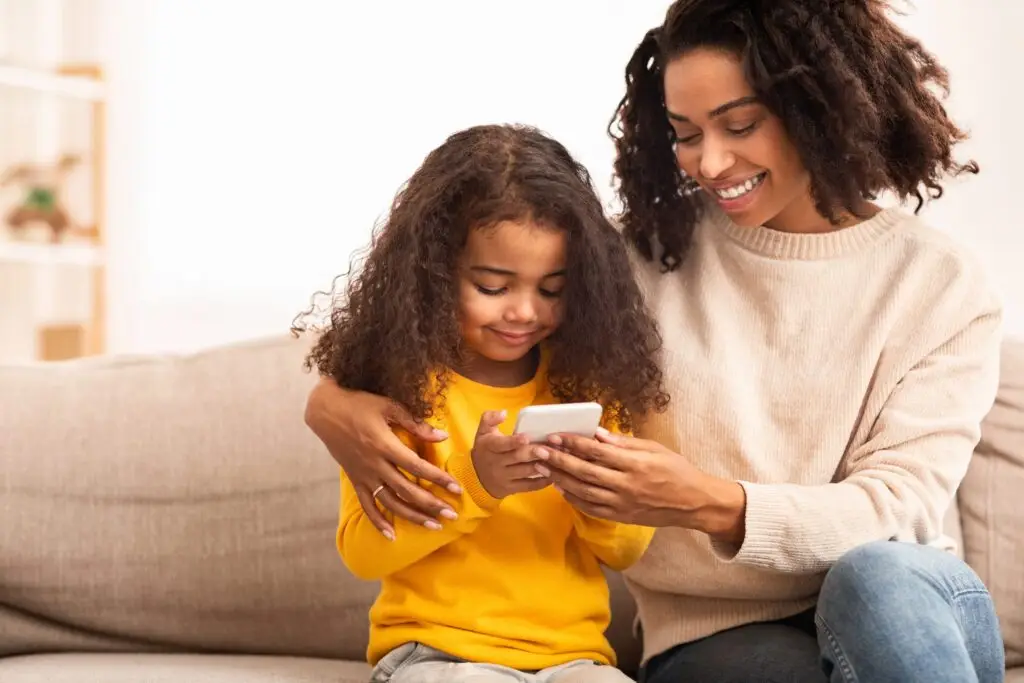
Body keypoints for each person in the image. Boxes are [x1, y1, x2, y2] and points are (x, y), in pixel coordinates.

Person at [303, 2, 1006, 682]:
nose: (709, 161)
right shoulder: (635, 258)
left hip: (904, 605)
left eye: (739, 124)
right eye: (685, 132)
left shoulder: (941, 285)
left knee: (874, 576)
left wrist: (706, 501)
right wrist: (330, 403)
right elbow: (448, 308)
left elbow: (899, 509)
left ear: (820, 106)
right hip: (719, 633)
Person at [296, 123, 671, 683]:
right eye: (494, 287)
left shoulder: (586, 389)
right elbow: (364, 553)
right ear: (432, 274)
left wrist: (592, 492)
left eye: (551, 289)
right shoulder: (398, 394)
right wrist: (476, 484)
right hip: (436, 654)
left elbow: (625, 552)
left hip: (572, 659)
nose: (524, 311)